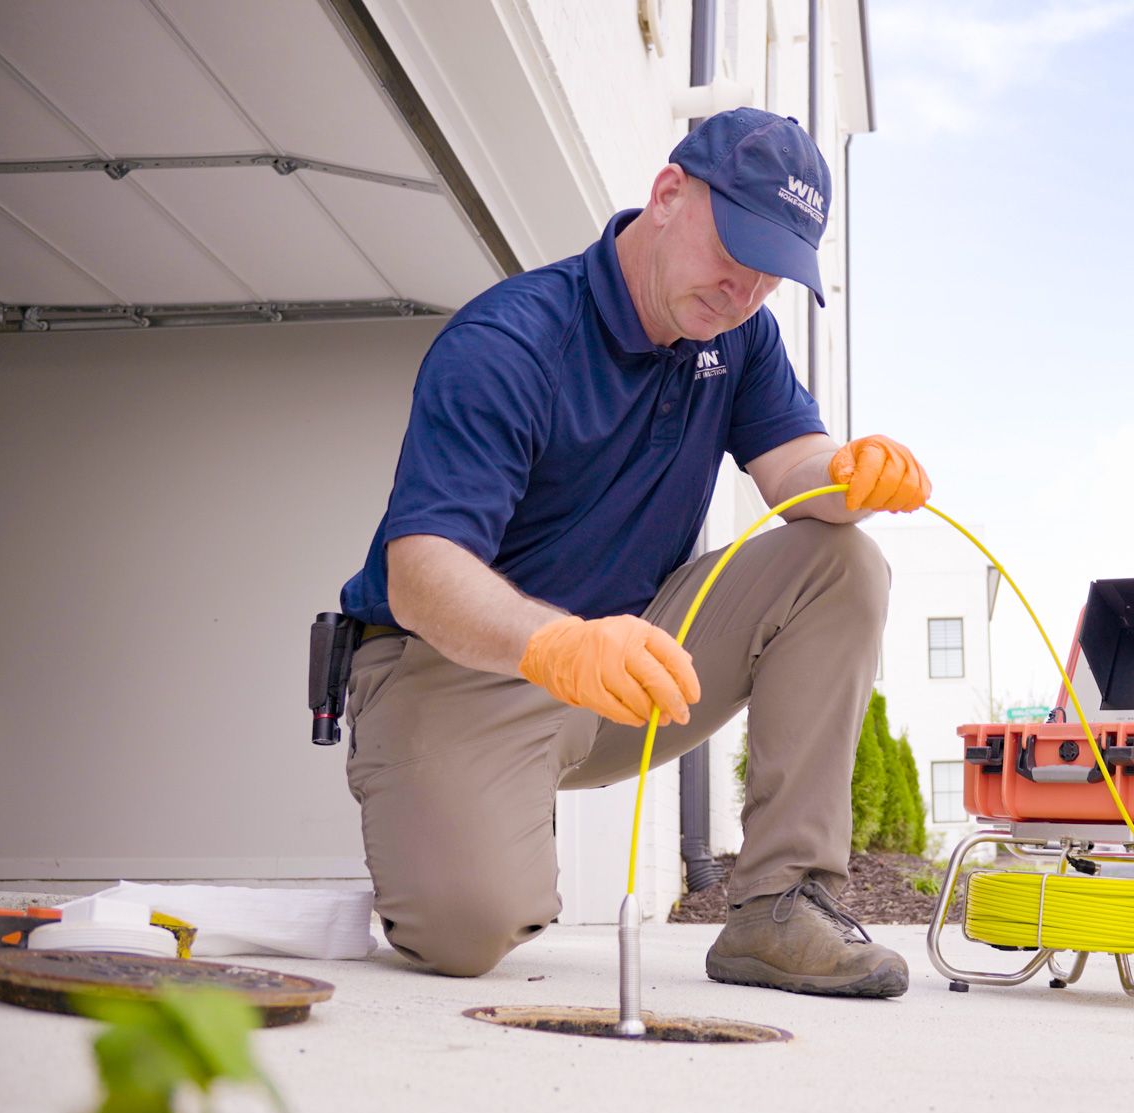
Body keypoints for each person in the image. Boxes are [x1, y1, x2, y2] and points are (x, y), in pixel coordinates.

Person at [336, 108, 926, 998]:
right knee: (466, 930)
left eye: (772, 275)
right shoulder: (510, 341)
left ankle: (778, 907)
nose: (745, 293)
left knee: (841, 559)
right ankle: (468, 827)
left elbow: (795, 470)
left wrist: (850, 474)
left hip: (630, 664)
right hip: (458, 665)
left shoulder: (737, 337)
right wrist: (557, 645)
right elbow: (421, 575)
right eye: (736, 253)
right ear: (667, 195)